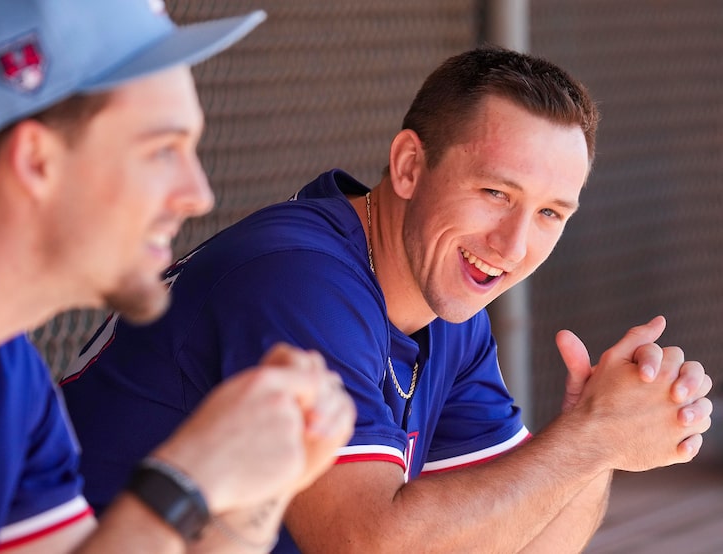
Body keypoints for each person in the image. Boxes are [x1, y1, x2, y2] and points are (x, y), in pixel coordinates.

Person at [60, 46, 714, 553]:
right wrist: (589, 440)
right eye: (495, 193)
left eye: (550, 213)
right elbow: (362, 542)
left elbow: (526, 541)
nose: (514, 244)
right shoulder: (300, 279)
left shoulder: (448, 303)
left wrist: (591, 436)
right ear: (407, 166)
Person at [0, 0, 356, 552]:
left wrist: (261, 485)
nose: (198, 196)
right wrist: (189, 476)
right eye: (163, 151)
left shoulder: (2, 367)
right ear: (37, 162)